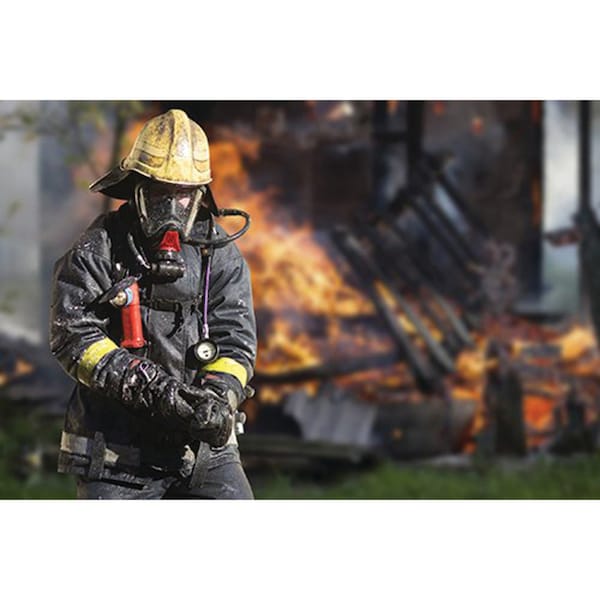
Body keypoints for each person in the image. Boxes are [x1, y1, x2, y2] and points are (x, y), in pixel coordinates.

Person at [49, 108, 257, 499]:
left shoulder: (219, 256)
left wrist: (218, 398)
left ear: (200, 197)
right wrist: (154, 389)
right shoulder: (98, 249)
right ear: (137, 190)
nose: (173, 208)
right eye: (161, 192)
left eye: (184, 194)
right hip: (116, 456)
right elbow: (73, 337)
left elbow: (235, 344)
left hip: (201, 453)